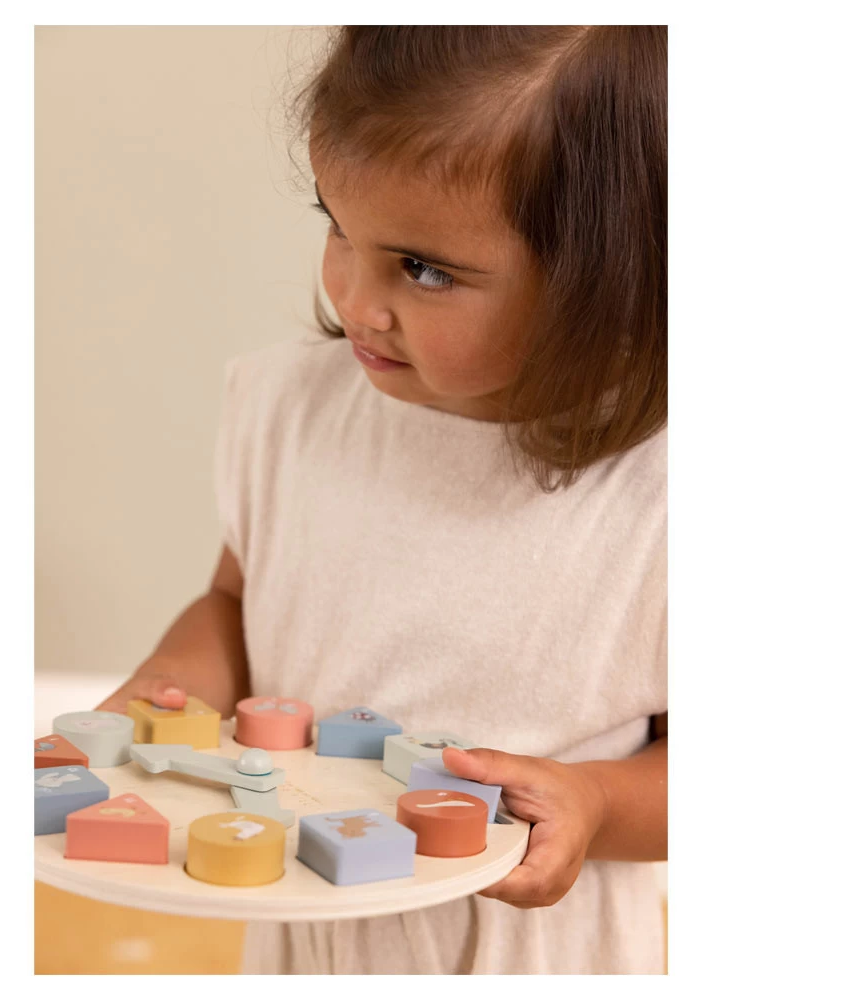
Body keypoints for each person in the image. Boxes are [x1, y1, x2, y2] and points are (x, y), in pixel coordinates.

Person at [97, 25, 667, 974]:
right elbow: (236, 601)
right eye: (336, 226)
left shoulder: (661, 498)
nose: (354, 299)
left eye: (423, 268)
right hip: (304, 920)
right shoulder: (294, 410)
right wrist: (171, 689)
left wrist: (598, 804)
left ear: (611, 284)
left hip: (529, 948)